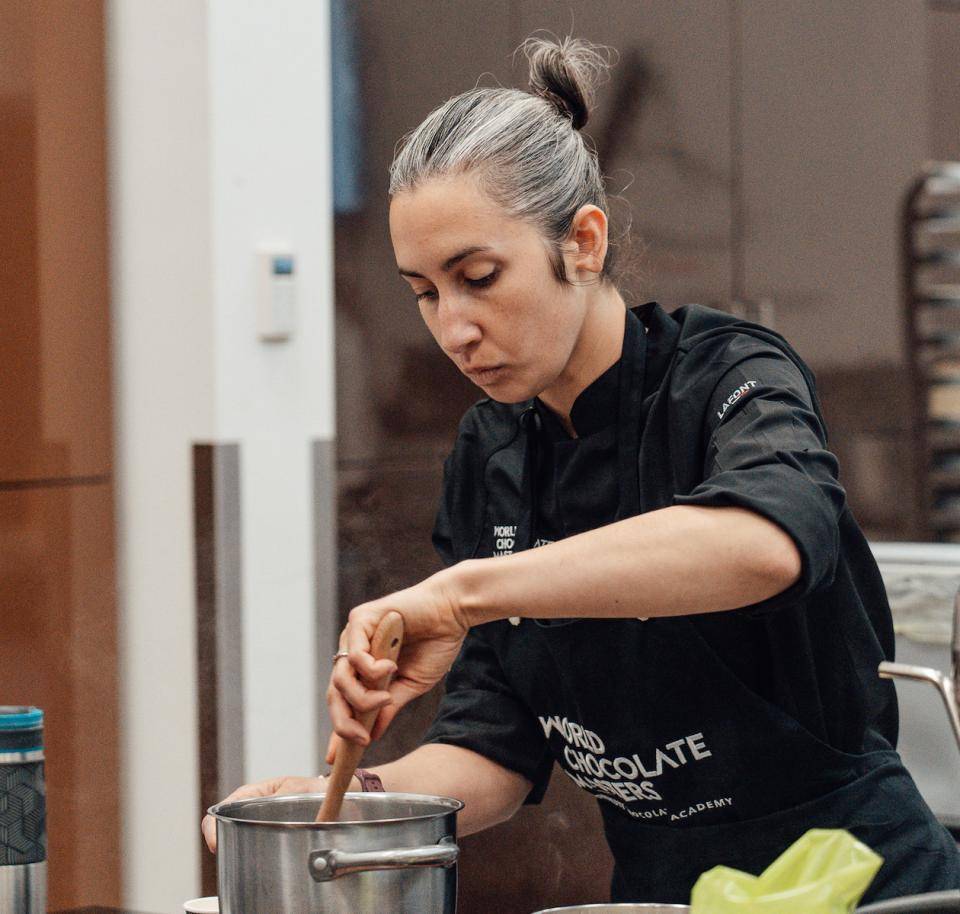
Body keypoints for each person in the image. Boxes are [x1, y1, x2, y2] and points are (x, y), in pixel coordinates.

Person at [203, 34, 960, 905]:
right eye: (424, 291)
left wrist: (462, 592)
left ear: (584, 242)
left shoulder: (728, 374)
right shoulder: (490, 455)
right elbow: (495, 747)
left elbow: (766, 543)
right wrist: (354, 803)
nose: (452, 328)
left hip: (860, 884)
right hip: (661, 893)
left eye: (479, 277)